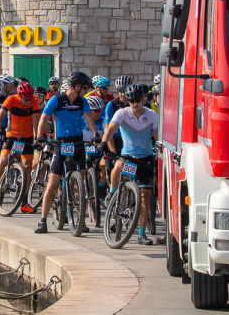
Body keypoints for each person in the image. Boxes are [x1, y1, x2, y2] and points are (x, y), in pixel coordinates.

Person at [35, 71, 100, 233]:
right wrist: (39, 137)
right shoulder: (57, 100)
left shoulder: (82, 101)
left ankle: (80, 220)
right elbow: (44, 118)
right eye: (84, 88)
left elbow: (89, 119)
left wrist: (96, 135)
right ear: (76, 87)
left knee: (80, 183)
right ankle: (43, 221)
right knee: (52, 184)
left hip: (77, 143)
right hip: (60, 144)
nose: (86, 91)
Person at [100, 83, 162, 244]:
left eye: (137, 101)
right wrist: (103, 142)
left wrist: (160, 153)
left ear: (143, 99)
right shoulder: (122, 113)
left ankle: (141, 234)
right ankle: (112, 193)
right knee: (118, 167)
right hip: (129, 157)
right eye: (131, 101)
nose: (135, 104)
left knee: (144, 197)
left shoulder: (152, 115)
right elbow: (111, 129)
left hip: (146, 158)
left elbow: (157, 137)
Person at [0, 78, 42, 211]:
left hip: (27, 137)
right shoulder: (11, 99)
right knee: (2, 161)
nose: (27, 101)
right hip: (11, 136)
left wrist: (37, 139)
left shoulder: (34, 100)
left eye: (29, 99)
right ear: (19, 95)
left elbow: (36, 122)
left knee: (27, 169)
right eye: (25, 99)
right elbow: (0, 114)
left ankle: (24, 203)